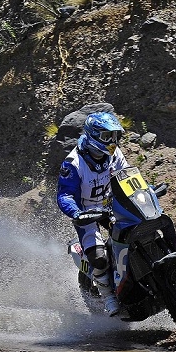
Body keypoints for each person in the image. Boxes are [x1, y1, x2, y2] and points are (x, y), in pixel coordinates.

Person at [57, 112, 129, 316]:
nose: (113, 142)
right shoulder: (73, 163)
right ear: (93, 135)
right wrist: (76, 213)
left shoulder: (115, 154)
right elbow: (65, 195)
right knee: (99, 259)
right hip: (86, 212)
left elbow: (128, 175)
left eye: (116, 137)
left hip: (113, 203)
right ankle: (108, 297)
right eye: (108, 137)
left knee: (138, 232)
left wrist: (147, 190)